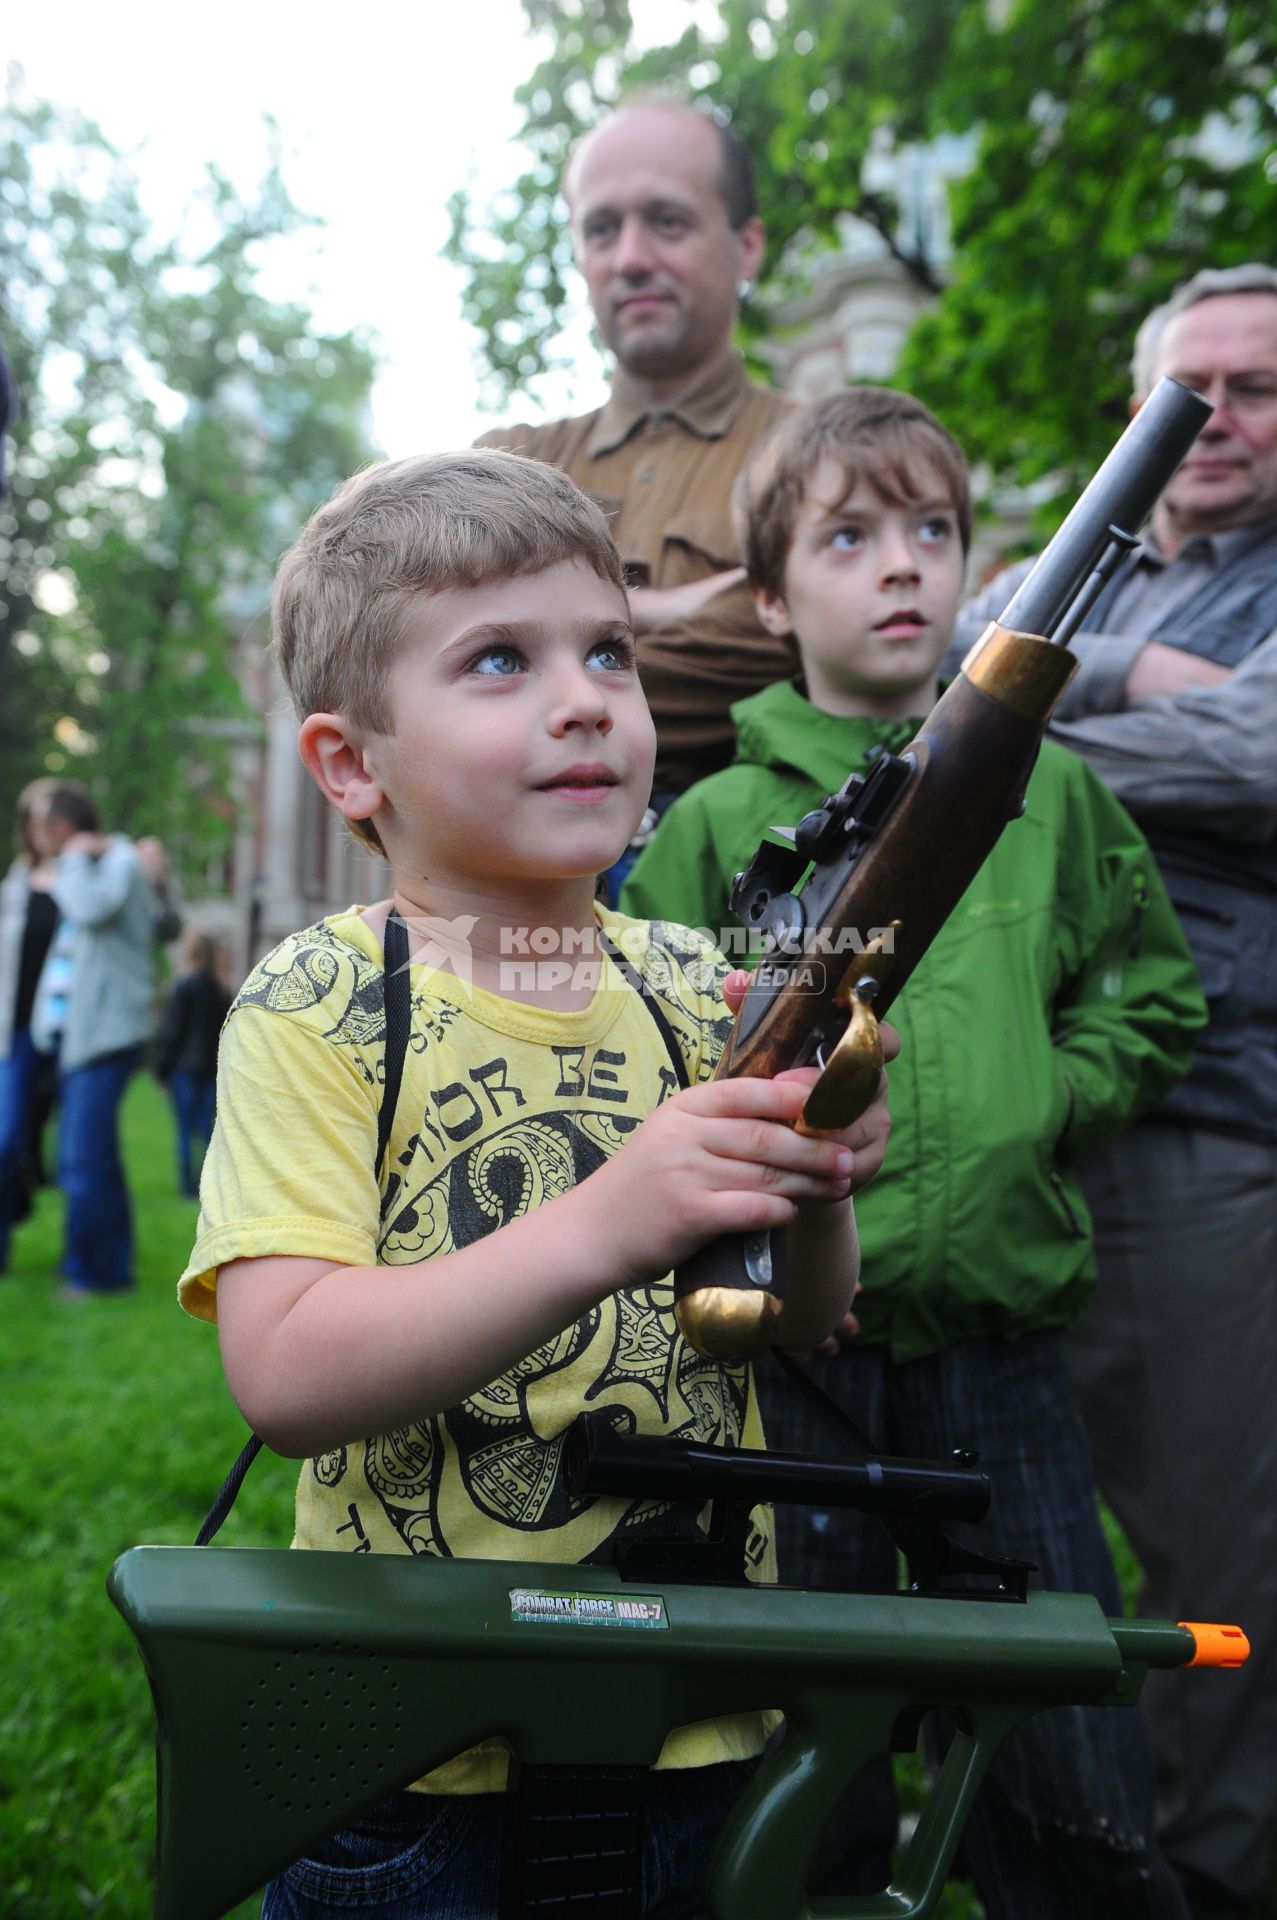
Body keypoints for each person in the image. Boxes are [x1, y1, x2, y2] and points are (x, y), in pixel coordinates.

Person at [177, 447, 892, 1920]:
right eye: (499, 659)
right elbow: (288, 1371)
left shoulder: (700, 987)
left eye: (608, 652)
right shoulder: (319, 1000)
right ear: (350, 763)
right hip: (418, 1746)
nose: (585, 700)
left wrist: (810, 1183)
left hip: (696, 1716)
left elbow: (800, 1321)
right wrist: (607, 1221)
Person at [623, 388, 1206, 1920]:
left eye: (931, 532)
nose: (901, 567)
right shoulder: (721, 826)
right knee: (792, 1738)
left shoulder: (1053, 792)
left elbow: (1148, 993)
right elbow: (652, 1057)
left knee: (1053, 1750)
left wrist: (1041, 1099)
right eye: (850, 536)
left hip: (1002, 1346)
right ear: (771, 595)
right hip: (781, 1372)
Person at [953, 265, 1277, 1920]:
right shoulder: (1076, 563)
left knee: (1208, 1553)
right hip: (1002, 1115)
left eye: (1256, 388)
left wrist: (1062, 709)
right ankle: (1037, 1853)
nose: (1214, 419)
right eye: (1184, 387)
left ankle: (1205, 1880)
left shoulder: (1111, 601)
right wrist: (1164, 691)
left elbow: (1266, 764)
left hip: (1201, 1115)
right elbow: (959, 656)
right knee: (1005, 1528)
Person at [477, 95, 797, 893]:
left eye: (667, 221)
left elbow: (808, 646)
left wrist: (516, 672)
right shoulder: (507, 465)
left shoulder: (824, 456)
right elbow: (409, 657)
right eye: (600, 229)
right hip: (521, 904)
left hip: (751, 891)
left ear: (747, 244)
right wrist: (681, 608)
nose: (630, 258)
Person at [28, 783, 155, 1296]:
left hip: (104, 1036)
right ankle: (108, 1265)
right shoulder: (104, 864)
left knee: (83, 1159)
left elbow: (86, 909)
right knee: (90, 1156)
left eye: (43, 831)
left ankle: (92, 1275)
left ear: (61, 830)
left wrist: (75, 860)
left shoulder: (116, 862)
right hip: (82, 1037)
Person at [0, 781, 61, 1268]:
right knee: (6, 1136)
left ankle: (88, 1263)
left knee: (73, 1148)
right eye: (35, 818)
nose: (43, 828)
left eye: (52, 816)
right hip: (17, 1032)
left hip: (70, 1033)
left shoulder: (91, 874)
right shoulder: (17, 881)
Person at [153, 927, 231, 1197]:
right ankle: (209, 1185)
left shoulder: (183, 989)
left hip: (184, 1069)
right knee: (208, 1131)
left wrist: (162, 1071)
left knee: (185, 1130)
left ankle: (187, 1186)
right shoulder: (220, 992)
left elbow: (173, 1032)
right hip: (210, 1070)